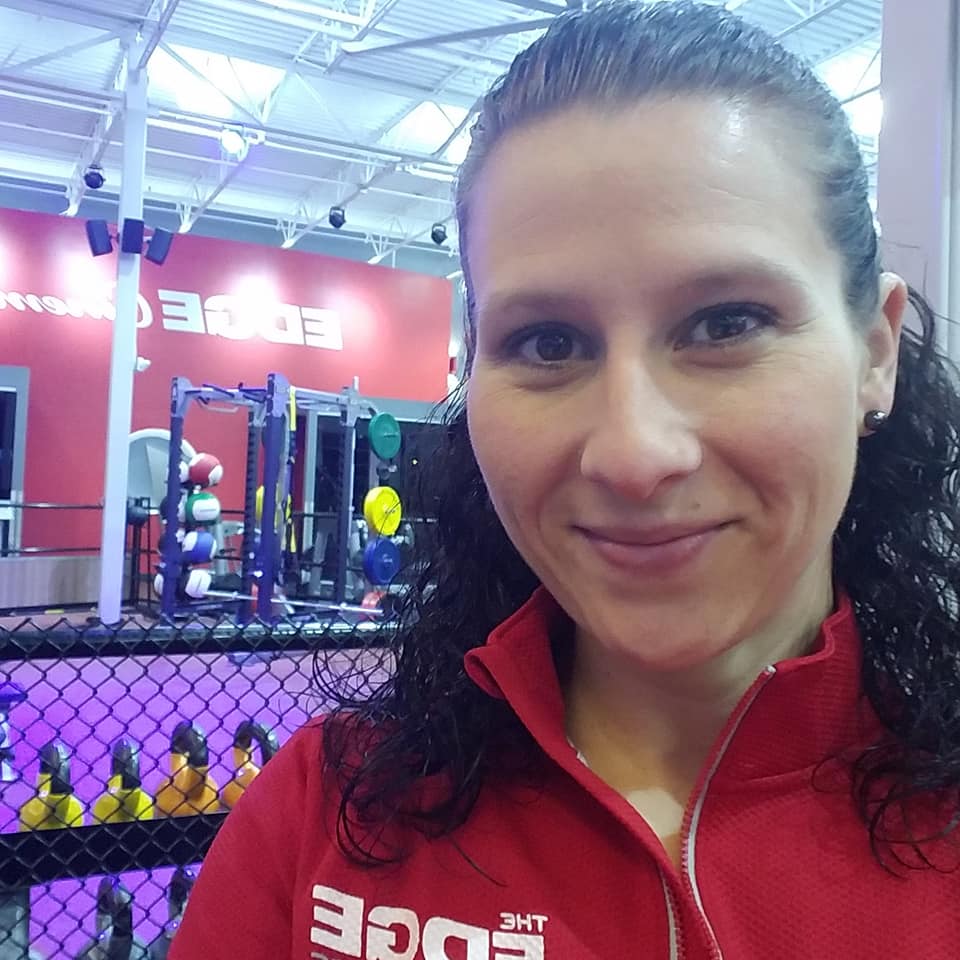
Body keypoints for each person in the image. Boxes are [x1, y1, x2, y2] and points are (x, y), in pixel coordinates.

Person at [170, 3, 960, 958]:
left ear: (875, 353)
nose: (633, 455)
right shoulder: (321, 818)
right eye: (548, 343)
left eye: (727, 323)